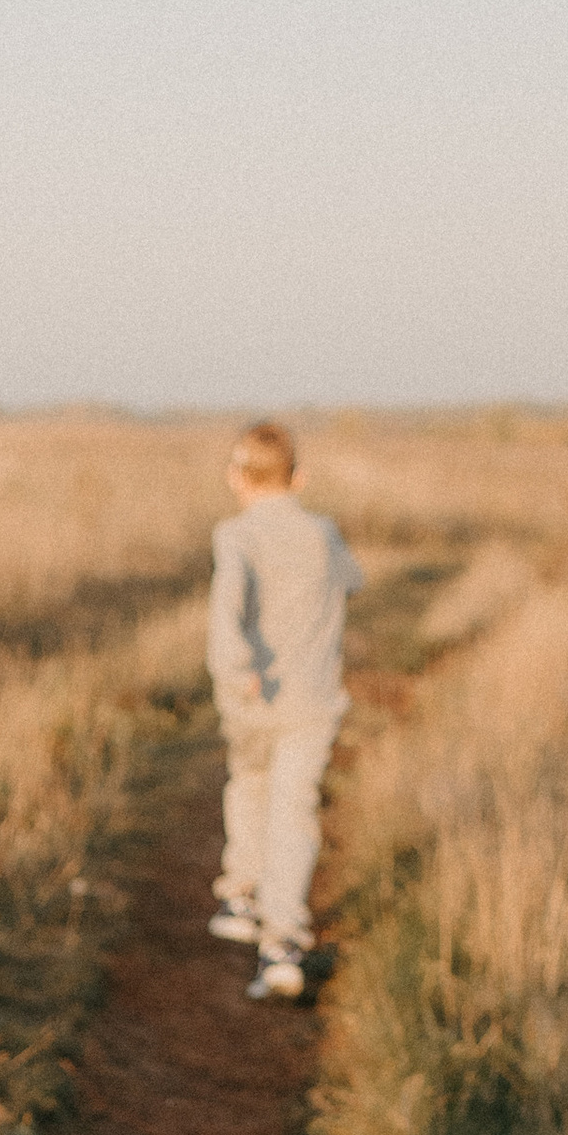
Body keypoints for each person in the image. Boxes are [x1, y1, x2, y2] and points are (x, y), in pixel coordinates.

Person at [205, 421, 364, 1002]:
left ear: (235, 477)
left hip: (253, 698)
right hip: (312, 700)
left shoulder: (235, 535)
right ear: (299, 477)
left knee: (250, 783)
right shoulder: (323, 533)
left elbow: (226, 610)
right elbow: (353, 581)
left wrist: (236, 666)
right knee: (294, 809)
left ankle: (242, 892)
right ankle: (282, 944)